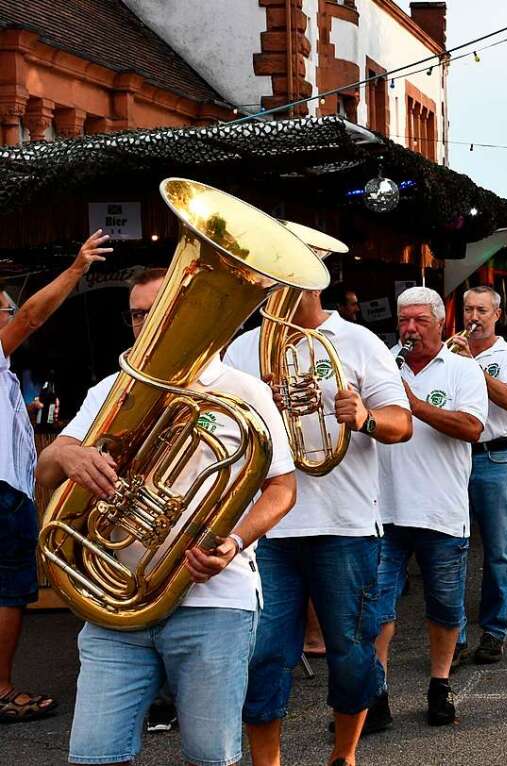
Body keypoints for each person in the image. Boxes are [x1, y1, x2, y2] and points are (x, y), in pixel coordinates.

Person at [36, 268, 297, 766]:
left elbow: (283, 487)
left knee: (209, 756)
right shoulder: (114, 388)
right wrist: (69, 455)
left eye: (154, 312)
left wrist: (235, 541)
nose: (143, 324)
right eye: (135, 314)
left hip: (214, 602)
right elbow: (46, 468)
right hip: (114, 601)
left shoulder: (243, 390)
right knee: (93, 754)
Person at [223, 286, 412, 765]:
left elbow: (401, 423)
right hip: (266, 529)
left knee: (350, 651)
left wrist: (366, 418)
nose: (273, 286)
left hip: (344, 522)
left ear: (313, 279)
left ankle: (344, 755)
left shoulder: (357, 340)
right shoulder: (245, 347)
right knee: (262, 654)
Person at [0, 230, 110, 724]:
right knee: (7, 589)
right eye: (3, 309)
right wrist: (77, 268)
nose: (11, 313)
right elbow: (32, 316)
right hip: (3, 493)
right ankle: (1, 690)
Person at [374, 287, 488, 727]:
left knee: (444, 608)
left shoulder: (462, 369)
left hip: (441, 511)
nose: (409, 329)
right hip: (383, 510)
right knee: (377, 609)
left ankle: (440, 685)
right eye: (404, 320)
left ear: (440, 322)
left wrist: (416, 406)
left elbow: (473, 428)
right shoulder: (382, 363)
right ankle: (376, 693)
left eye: (420, 320)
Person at [450, 286, 507, 665]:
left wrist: (473, 368)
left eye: (481, 310)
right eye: (468, 310)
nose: (473, 318)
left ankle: (494, 631)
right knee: (454, 547)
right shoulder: (449, 352)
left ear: (497, 314)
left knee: (498, 550)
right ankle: (456, 633)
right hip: (453, 457)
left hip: (495, 457)